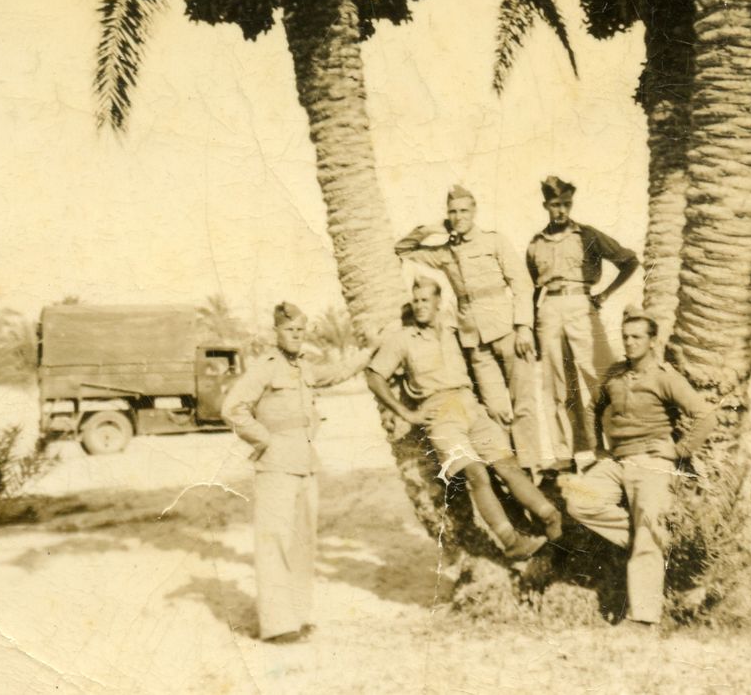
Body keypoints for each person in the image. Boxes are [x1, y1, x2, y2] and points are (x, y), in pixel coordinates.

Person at [366, 277, 563, 558]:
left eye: (425, 300)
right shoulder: (403, 340)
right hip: (440, 414)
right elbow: (374, 376)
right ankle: (511, 543)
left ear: (438, 302)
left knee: (507, 465)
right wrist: (407, 413)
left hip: (471, 406)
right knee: (476, 474)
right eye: (416, 300)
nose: (420, 306)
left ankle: (551, 518)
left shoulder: (453, 329)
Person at [220, 302, 367, 644]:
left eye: (301, 330)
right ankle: (276, 625)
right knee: (274, 541)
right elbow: (232, 408)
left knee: (303, 542)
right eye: (289, 330)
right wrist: (263, 439)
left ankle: (297, 617)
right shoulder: (265, 367)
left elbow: (336, 372)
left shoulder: (305, 366)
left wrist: (369, 353)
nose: (296, 335)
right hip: (275, 464)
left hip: (305, 463)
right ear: (276, 332)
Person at [563, 306, 715, 628]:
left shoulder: (664, 377)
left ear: (652, 341)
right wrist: (598, 448)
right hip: (617, 461)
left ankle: (643, 619)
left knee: (648, 531)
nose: (630, 342)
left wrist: (679, 450)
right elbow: (592, 409)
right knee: (578, 500)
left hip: (653, 463)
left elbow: (705, 416)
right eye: (626, 337)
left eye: (637, 337)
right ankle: (647, 539)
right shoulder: (615, 374)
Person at [394, 185, 543, 469]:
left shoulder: (494, 241)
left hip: (508, 331)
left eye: (464, 210)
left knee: (523, 403)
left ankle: (532, 467)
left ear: (474, 211)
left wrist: (524, 326)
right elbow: (402, 249)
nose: (459, 216)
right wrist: (432, 228)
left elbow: (522, 284)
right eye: (453, 212)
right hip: (475, 341)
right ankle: (510, 470)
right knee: (495, 408)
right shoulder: (445, 251)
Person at [527, 175, 639, 469]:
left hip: (581, 304)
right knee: (555, 385)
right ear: (546, 205)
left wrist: (605, 295)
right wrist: (533, 326)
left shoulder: (587, 236)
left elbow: (629, 261)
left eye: (566, 204)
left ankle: (621, 445)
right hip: (548, 310)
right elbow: (534, 289)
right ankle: (565, 456)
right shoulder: (535, 244)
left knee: (602, 376)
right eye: (555, 204)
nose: (561, 210)